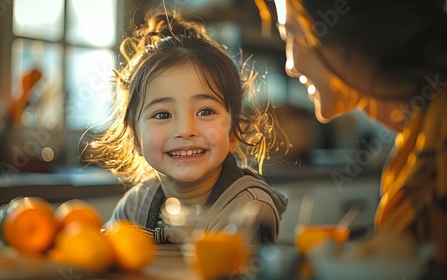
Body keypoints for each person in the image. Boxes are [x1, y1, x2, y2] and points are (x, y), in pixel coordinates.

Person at [82, 10, 288, 246]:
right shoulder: (137, 204)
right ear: (135, 139)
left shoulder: (249, 208)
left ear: (232, 132)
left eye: (205, 111)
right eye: (162, 114)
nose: (185, 129)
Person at [272, 0, 446, 273]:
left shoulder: (441, 122)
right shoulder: (417, 135)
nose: (290, 66)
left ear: (349, 31)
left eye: (294, 34)